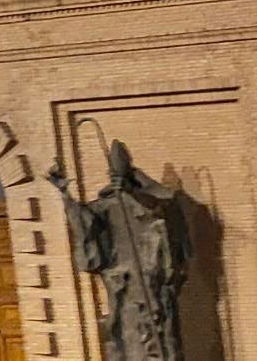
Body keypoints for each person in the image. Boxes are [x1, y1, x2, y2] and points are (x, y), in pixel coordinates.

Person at [49, 142, 190, 361]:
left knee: (163, 342)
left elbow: (166, 204)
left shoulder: (148, 201)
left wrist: (134, 188)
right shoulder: (106, 207)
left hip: (153, 288)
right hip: (125, 292)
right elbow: (85, 225)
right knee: (130, 344)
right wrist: (66, 194)